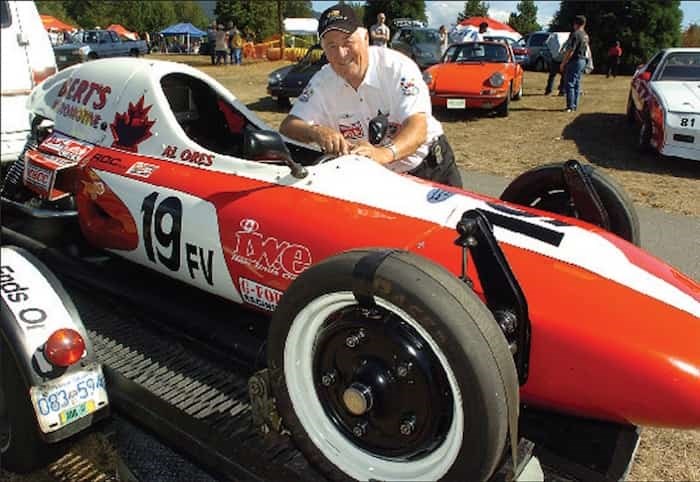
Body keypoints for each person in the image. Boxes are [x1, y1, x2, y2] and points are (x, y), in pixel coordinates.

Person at [279, 4, 462, 188]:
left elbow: (418, 127)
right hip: (374, 178)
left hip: (428, 169)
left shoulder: (397, 67)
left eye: (347, 42)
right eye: (331, 46)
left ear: (366, 38)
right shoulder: (322, 81)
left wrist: (382, 154)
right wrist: (317, 132)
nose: (341, 54)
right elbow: (289, 125)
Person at [560, 15, 588, 112]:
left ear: (575, 23)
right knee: (577, 83)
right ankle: (575, 105)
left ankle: (570, 106)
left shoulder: (575, 34)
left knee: (570, 83)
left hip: (575, 60)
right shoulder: (585, 35)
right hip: (583, 60)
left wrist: (563, 62)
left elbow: (571, 50)